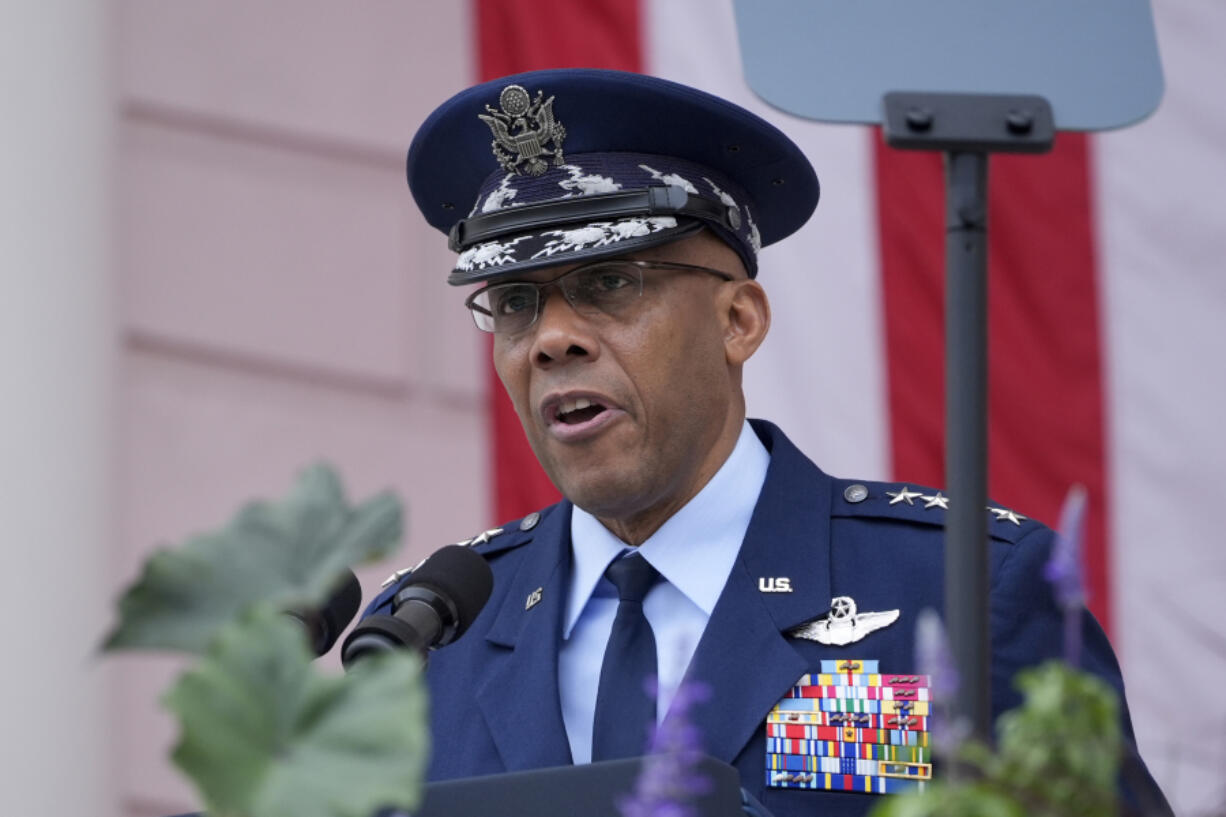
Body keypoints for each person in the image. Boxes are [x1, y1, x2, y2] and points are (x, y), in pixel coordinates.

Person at [363, 68, 1169, 816]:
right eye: (513, 302)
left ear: (738, 320)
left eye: (609, 283)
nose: (552, 340)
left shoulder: (962, 589)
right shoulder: (425, 640)